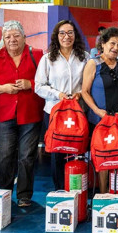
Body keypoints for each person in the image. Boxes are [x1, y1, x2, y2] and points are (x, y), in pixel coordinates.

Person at [0, 20, 45, 207]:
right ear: (3, 39)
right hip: (4, 114)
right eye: (8, 36)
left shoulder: (37, 55)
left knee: (27, 156)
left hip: (30, 113)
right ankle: (4, 193)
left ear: (24, 37)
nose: (12, 40)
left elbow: (46, 83)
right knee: (4, 156)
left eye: (16, 36)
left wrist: (31, 85)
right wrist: (1, 88)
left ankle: (24, 196)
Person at [35, 20, 90, 190]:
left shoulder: (85, 57)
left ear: (75, 35)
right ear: (56, 36)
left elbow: (89, 82)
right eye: (62, 33)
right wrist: (57, 94)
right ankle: (59, 188)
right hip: (55, 112)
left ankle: (77, 188)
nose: (66, 37)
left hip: (77, 111)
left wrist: (80, 93)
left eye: (70, 32)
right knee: (58, 151)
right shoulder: (48, 59)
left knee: (77, 150)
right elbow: (39, 86)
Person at [82, 27, 118, 193]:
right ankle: (103, 194)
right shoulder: (93, 63)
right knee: (104, 159)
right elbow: (85, 92)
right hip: (101, 121)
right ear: (103, 44)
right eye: (112, 43)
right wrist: (98, 111)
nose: (115, 48)